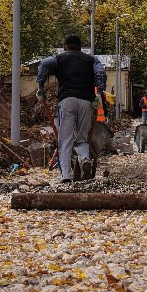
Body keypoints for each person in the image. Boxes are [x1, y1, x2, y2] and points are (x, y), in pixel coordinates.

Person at [35, 34, 107, 182]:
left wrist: (41, 87)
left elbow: (43, 65)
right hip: (87, 101)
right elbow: (100, 72)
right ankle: (85, 158)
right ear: (81, 47)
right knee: (82, 137)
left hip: (67, 101)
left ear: (64, 47)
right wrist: (99, 93)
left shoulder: (58, 59)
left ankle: (66, 176)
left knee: (65, 140)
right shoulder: (91, 60)